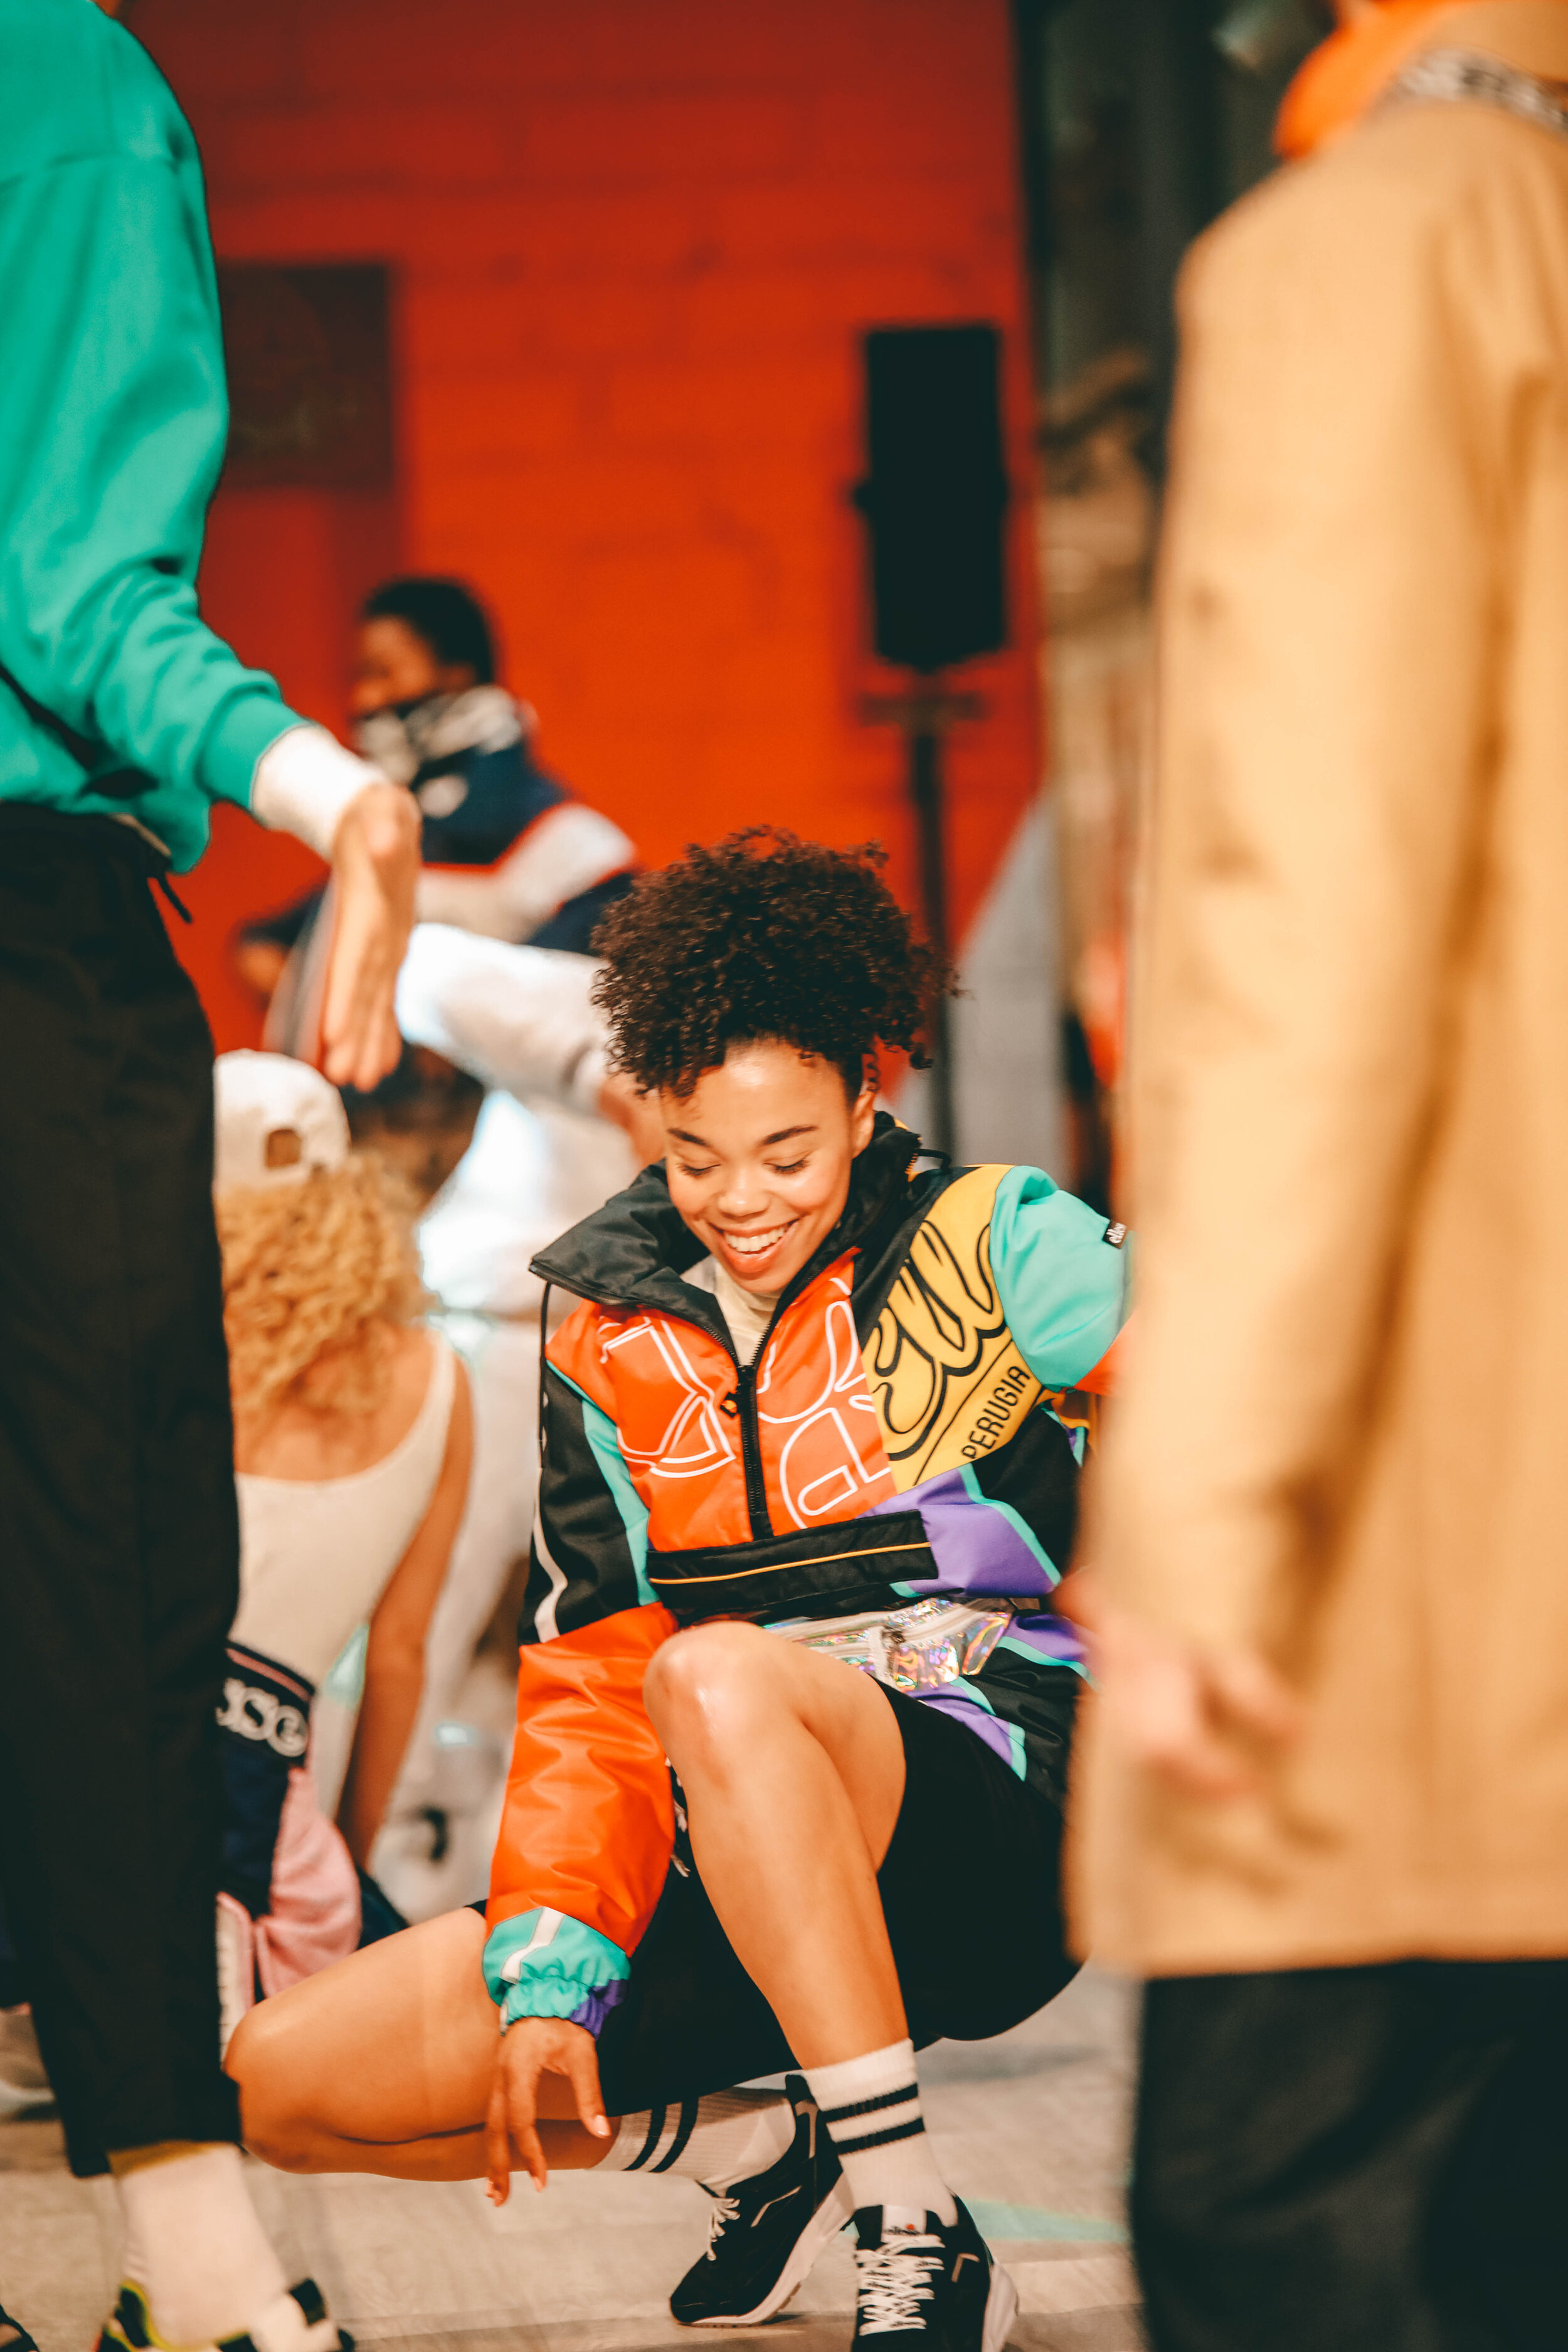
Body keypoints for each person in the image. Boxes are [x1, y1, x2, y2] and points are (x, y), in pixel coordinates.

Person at [228, 830, 1130, 2352]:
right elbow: (589, 1664)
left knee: (717, 1676)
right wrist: (551, 1963)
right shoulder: (603, 1317)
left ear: (866, 1088)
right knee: (286, 2077)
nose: (742, 1200)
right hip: (735, 1843)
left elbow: (1246, 1423)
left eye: (786, 1152)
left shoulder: (999, 1238)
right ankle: (757, 2149)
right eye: (696, 1157)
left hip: (996, 1810)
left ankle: (905, 2210)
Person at [1073, 5, 1568, 2348]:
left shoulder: (1369, 251)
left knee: (1291, 2225)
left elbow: (1307, 918)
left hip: (1428, 1532)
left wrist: (1194, 1497)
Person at [0, 6, 418, 2350]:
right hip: (20, 946)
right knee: (106, 1572)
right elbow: (64, 575)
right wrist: (319, 779)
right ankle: (185, 2223)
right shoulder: (53, 79)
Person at [212, 1052, 472, 2028]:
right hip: (284, 1858)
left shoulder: (171, 1345)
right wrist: (347, 1864)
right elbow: (399, 1658)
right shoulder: (439, 1381)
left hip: (116, 1795)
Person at [241, 575, 637, 1027]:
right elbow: (265, 946)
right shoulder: (406, 825)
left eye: (384, 673)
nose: (364, 699)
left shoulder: (571, 849)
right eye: (361, 677)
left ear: (458, 676)